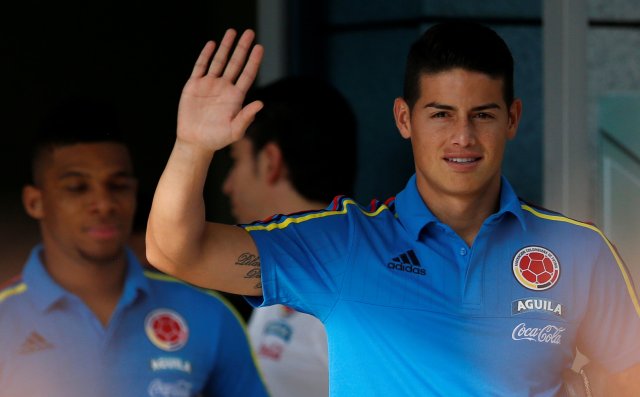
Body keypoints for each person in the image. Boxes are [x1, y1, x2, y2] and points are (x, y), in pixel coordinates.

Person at [146, 23, 640, 396]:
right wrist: (192, 147)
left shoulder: (579, 250)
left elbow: (628, 375)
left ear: (512, 119)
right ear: (405, 118)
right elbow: (175, 251)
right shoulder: (344, 244)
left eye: (483, 115)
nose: (463, 137)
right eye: (441, 114)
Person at [0, 97, 268, 397]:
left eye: (118, 185)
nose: (103, 204)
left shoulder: (208, 313)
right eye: (77, 187)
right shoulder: (5, 316)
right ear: (34, 202)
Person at [222, 75, 357, 397]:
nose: (227, 185)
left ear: (271, 161)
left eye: (235, 161)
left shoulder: (357, 283)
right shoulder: (281, 265)